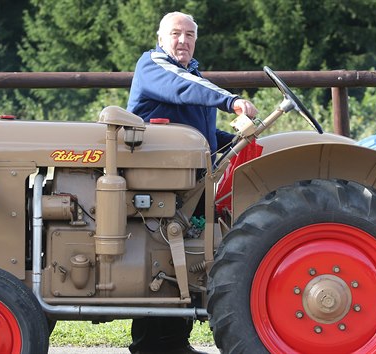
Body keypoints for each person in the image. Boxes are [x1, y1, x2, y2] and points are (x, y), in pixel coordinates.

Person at [126, 11, 258, 354]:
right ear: (160, 38)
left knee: (183, 252)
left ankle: (166, 342)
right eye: (175, 33)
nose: (182, 40)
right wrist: (232, 100)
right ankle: (156, 343)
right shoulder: (155, 65)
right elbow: (185, 89)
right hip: (157, 180)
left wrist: (238, 140)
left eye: (189, 35)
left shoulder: (192, 74)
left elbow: (202, 131)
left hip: (190, 181)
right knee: (166, 253)